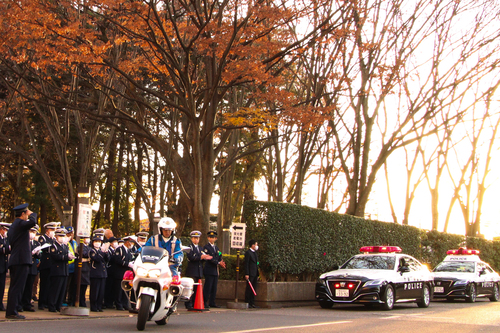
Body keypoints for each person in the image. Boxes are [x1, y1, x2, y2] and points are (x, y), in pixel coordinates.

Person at [5, 203, 37, 319]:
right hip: (20, 260)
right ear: (23, 214)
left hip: (18, 259)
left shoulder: (15, 225)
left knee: (16, 286)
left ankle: (13, 309)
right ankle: (12, 311)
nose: (28, 216)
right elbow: (32, 222)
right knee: (17, 287)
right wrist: (33, 214)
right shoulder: (19, 223)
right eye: (26, 213)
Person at [47, 228, 74, 312]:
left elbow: (66, 255)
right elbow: (56, 256)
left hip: (64, 270)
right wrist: (66, 257)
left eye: (63, 236)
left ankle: (58, 305)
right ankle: (52, 305)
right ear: (56, 236)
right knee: (55, 289)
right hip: (57, 270)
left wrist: (70, 257)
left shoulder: (65, 246)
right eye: (60, 236)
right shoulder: (53, 246)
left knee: (62, 290)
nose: (62, 238)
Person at [185, 230, 212, 310]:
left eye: (197, 238)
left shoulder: (200, 248)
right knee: (191, 287)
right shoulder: (189, 247)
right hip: (192, 271)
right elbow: (191, 257)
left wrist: (205, 258)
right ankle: (188, 303)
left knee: (197, 288)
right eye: (194, 238)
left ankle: (194, 302)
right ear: (191, 239)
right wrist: (200, 257)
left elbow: (202, 258)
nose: (196, 240)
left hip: (198, 271)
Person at [37, 221, 60, 310]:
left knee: (50, 284)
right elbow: (44, 248)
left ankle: (47, 301)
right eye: (52, 229)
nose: (53, 231)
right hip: (45, 264)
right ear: (47, 230)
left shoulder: (54, 239)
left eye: (54, 230)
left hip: (52, 265)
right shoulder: (43, 238)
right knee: (44, 284)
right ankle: (41, 302)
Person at [203, 230, 226, 309]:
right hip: (209, 270)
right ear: (208, 238)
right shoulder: (206, 247)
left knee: (214, 287)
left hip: (215, 270)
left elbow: (219, 255)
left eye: (213, 238)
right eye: (210, 237)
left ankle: (212, 302)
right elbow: (209, 258)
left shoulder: (216, 248)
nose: (211, 239)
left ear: (215, 238)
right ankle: (204, 301)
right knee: (208, 287)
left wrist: (221, 261)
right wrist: (218, 262)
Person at [20, 224, 41, 312]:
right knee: (23, 286)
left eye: (34, 232)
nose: (33, 234)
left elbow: (39, 256)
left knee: (30, 286)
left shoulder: (36, 243)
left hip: (32, 267)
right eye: (31, 232)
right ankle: (20, 304)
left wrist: (37, 253)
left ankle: (27, 303)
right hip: (25, 266)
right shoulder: (24, 242)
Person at [110, 236, 133, 310]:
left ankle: (125, 304)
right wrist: (127, 264)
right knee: (118, 290)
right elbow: (117, 260)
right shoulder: (119, 249)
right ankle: (118, 304)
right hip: (119, 273)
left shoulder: (128, 251)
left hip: (126, 274)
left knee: (125, 290)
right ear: (127, 242)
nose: (131, 244)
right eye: (130, 242)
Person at [89, 235, 109, 312]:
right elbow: (97, 259)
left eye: (99, 242)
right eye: (96, 241)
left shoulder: (101, 251)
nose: (97, 243)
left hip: (102, 273)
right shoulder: (92, 251)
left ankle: (99, 305)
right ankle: (93, 306)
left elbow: (107, 260)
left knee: (101, 292)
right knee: (95, 291)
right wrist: (102, 253)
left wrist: (106, 252)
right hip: (95, 273)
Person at [65, 226, 78, 306]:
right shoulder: (66, 242)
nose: (70, 235)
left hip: (74, 267)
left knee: (73, 286)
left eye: (71, 233)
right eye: (68, 234)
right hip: (68, 267)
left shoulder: (75, 242)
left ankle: (71, 300)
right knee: (66, 285)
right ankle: (64, 299)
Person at [244, 239, 259, 308]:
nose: (256, 246)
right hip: (250, 273)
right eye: (256, 244)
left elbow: (256, 263)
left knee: (254, 288)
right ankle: (247, 302)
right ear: (252, 245)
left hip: (255, 273)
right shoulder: (248, 253)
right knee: (249, 288)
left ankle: (252, 302)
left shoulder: (255, 253)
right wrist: (247, 273)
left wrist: (257, 274)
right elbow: (246, 263)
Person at [0, 222, 11, 311]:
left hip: (3, 266)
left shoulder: (5, 239)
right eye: (5, 230)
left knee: (2, 286)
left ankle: (0, 304)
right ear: (2, 229)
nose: (6, 232)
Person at [79, 236, 91, 307]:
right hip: (83, 269)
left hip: (87, 268)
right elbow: (84, 254)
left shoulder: (88, 247)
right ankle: (81, 301)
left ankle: (82, 301)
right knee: (81, 287)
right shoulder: (80, 246)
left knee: (84, 287)